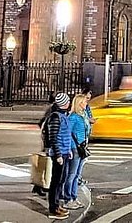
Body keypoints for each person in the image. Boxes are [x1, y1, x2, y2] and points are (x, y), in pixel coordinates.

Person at [42, 91, 73, 220]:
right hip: (58, 154)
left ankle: (57, 205)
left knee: (61, 179)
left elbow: (65, 135)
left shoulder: (62, 115)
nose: (70, 103)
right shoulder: (55, 117)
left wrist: (68, 150)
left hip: (64, 152)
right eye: (68, 101)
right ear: (64, 104)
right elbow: (54, 138)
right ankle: (53, 209)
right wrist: (59, 154)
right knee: (55, 181)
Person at [60, 93, 89, 208]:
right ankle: (68, 199)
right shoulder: (73, 117)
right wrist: (69, 149)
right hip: (75, 148)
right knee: (71, 175)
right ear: (80, 103)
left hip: (82, 147)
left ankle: (74, 197)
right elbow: (67, 133)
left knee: (77, 175)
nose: (86, 103)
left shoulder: (83, 115)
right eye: (85, 101)